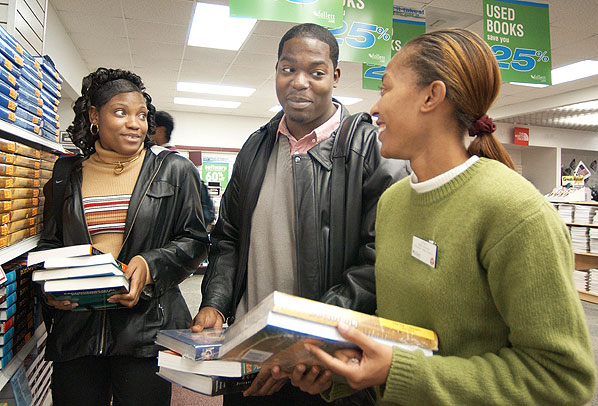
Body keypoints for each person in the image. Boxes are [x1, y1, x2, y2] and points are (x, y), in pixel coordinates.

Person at [291, 28, 597, 405]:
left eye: (386, 89)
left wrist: (399, 371)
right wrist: (342, 370)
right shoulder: (394, 203)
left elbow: (563, 377)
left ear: (431, 96)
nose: (374, 107)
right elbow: (403, 336)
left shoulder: (515, 211)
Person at [192, 23, 409, 405]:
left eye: (316, 72)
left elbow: (381, 259)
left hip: (326, 365)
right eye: (288, 69)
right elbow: (228, 237)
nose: (299, 82)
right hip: (252, 357)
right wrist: (215, 302)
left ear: (335, 76)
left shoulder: (371, 150)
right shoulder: (256, 148)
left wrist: (308, 336)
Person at [38, 67, 209, 406]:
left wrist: (150, 264)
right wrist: (48, 286)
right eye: (121, 112)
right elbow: (48, 246)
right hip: (77, 330)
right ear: (93, 117)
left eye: (142, 115)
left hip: (144, 329)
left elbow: (195, 239)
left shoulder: (174, 170)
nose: (135, 123)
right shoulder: (65, 175)